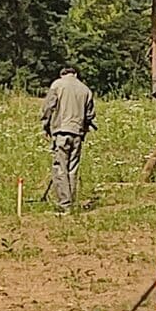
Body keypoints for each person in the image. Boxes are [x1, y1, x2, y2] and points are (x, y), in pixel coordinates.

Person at [41, 66, 95, 212]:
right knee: (72, 169)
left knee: (60, 168)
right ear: (75, 74)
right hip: (77, 133)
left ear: (62, 74)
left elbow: (48, 107)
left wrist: (46, 126)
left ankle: (65, 205)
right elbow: (90, 115)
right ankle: (71, 201)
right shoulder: (85, 89)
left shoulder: (57, 85)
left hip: (61, 132)